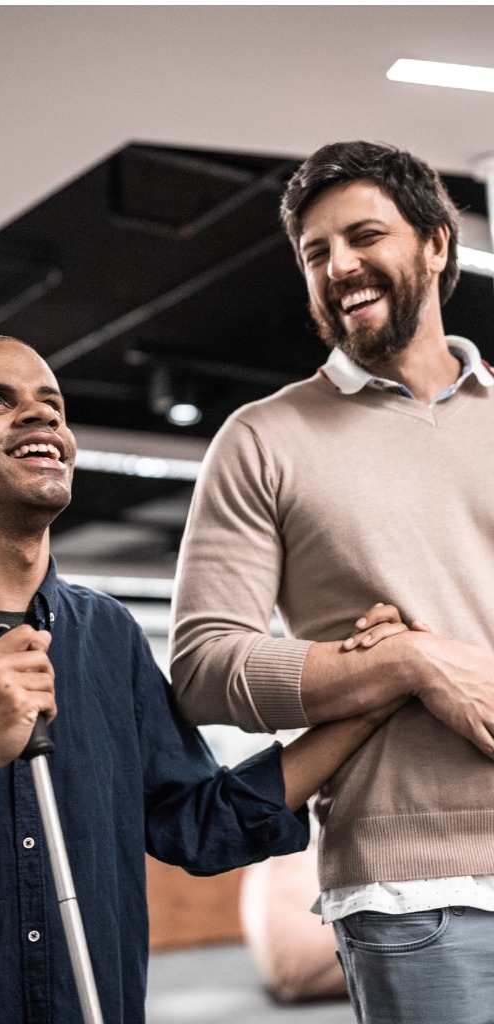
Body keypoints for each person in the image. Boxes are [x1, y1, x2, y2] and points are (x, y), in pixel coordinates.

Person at [0, 335, 399, 1024]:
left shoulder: (107, 637)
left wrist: (369, 696)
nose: (42, 417)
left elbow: (199, 824)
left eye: (52, 404)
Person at [170, 140, 494, 1024]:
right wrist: (410, 664)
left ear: (435, 243)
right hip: (416, 893)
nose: (338, 265)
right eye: (315, 253)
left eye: (362, 236)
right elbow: (203, 668)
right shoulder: (263, 440)